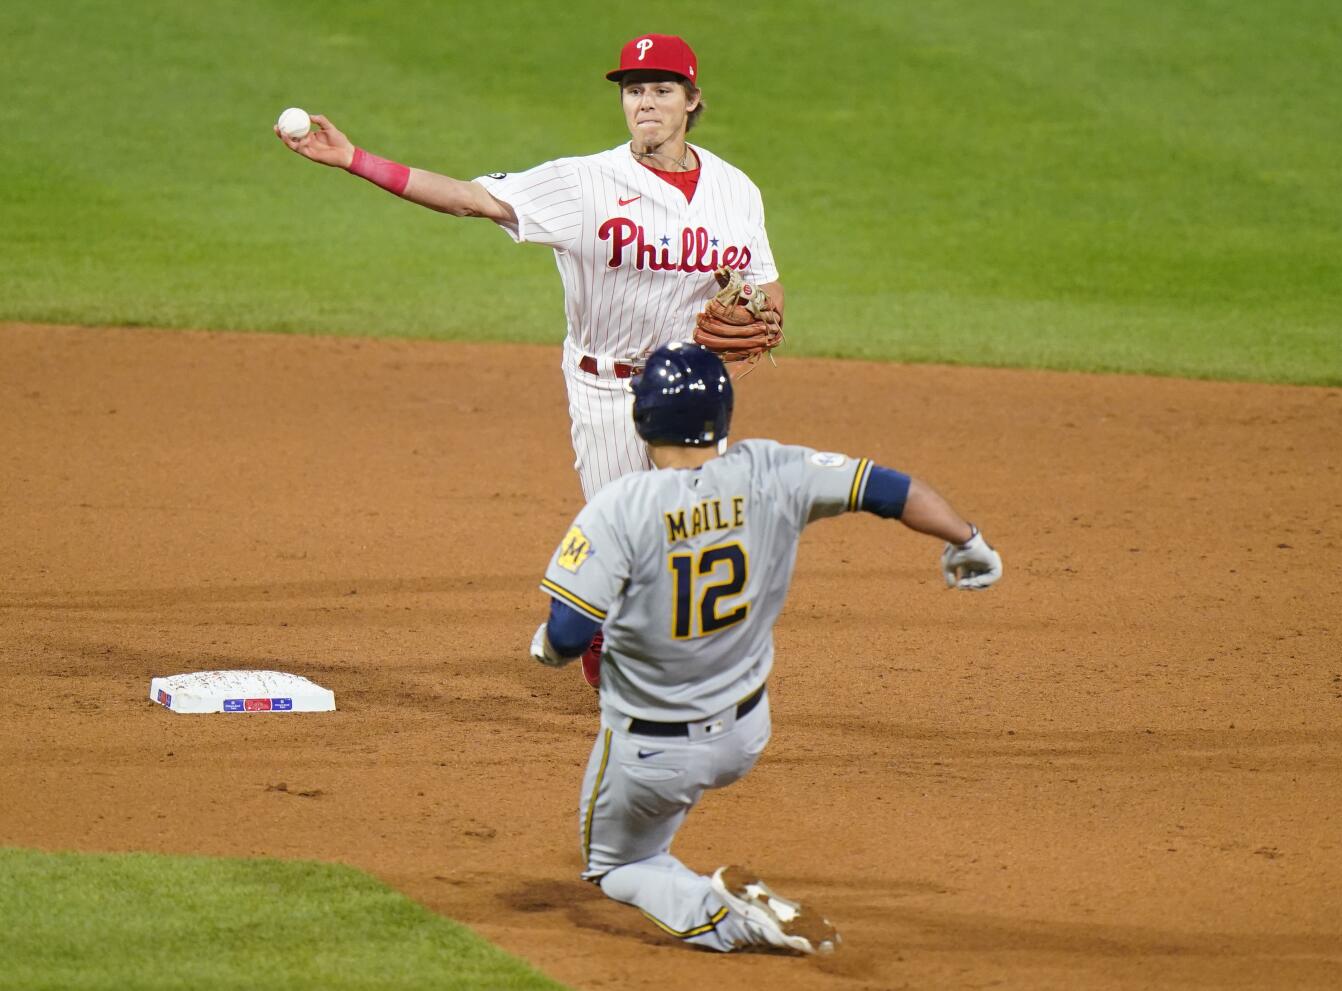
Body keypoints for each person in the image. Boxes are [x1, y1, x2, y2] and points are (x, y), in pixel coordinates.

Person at [276, 33, 783, 686]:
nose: (645, 103)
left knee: (687, 536)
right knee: (630, 539)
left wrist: (765, 315)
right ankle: (608, 654)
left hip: (690, 394)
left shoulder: (735, 191)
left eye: (661, 90)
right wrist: (354, 159)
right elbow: (468, 197)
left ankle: (657, 654)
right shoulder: (584, 182)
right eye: (634, 91)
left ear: (692, 101)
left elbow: (765, 282)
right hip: (607, 390)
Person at [528, 343, 1002, 954]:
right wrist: (967, 539)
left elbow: (567, 637)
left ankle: (730, 913)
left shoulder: (618, 509)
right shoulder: (775, 470)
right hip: (746, 733)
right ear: (723, 416)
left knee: (617, 866)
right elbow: (888, 489)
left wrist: (546, 648)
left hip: (654, 751)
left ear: (641, 420)